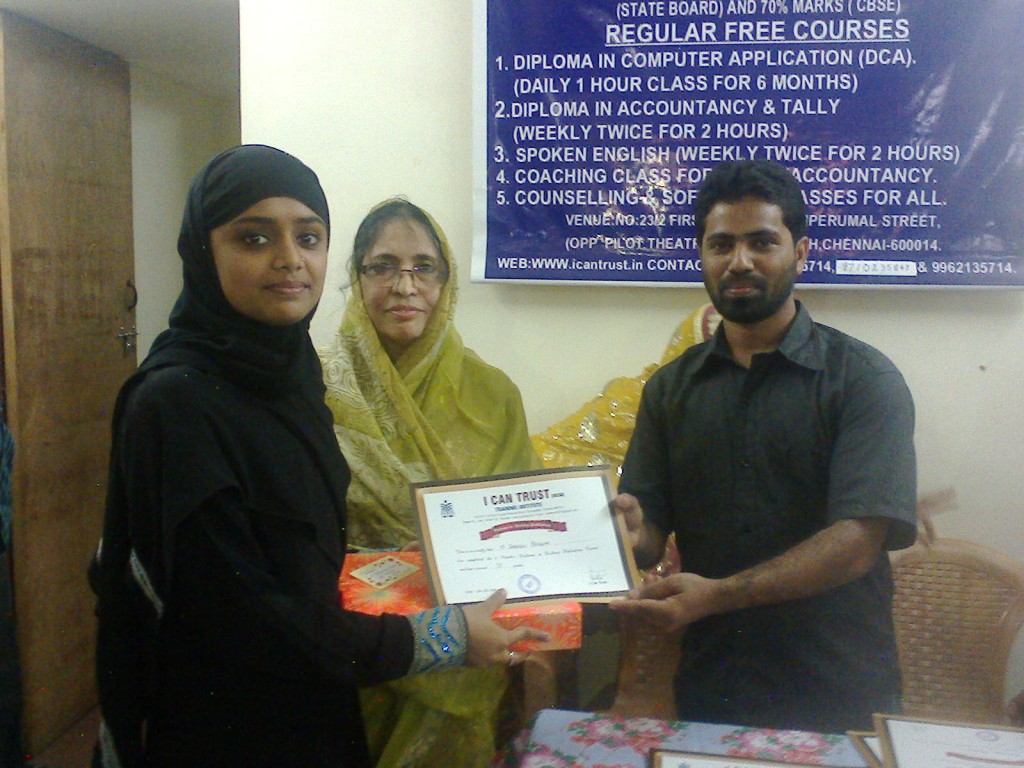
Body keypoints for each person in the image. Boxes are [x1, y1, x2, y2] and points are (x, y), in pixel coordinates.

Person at [88, 146, 543, 768]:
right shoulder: (175, 403)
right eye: (253, 237)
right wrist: (441, 635)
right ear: (202, 249)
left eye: (308, 236)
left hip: (325, 690)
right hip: (235, 721)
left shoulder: (291, 378)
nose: (289, 259)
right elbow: (240, 618)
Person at [610, 159, 917, 734]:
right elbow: (648, 537)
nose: (739, 261)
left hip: (838, 687)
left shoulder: (864, 380)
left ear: (800, 252)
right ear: (701, 256)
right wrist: (630, 533)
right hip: (714, 684)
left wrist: (718, 596)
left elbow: (857, 541)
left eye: (762, 242)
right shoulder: (669, 390)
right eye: (721, 244)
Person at [319, 198, 541, 767]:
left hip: (466, 638)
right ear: (356, 276)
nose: (404, 284)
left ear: (446, 283)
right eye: (383, 266)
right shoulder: (313, 387)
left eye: (424, 267)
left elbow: (521, 525)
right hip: (347, 642)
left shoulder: (492, 395)